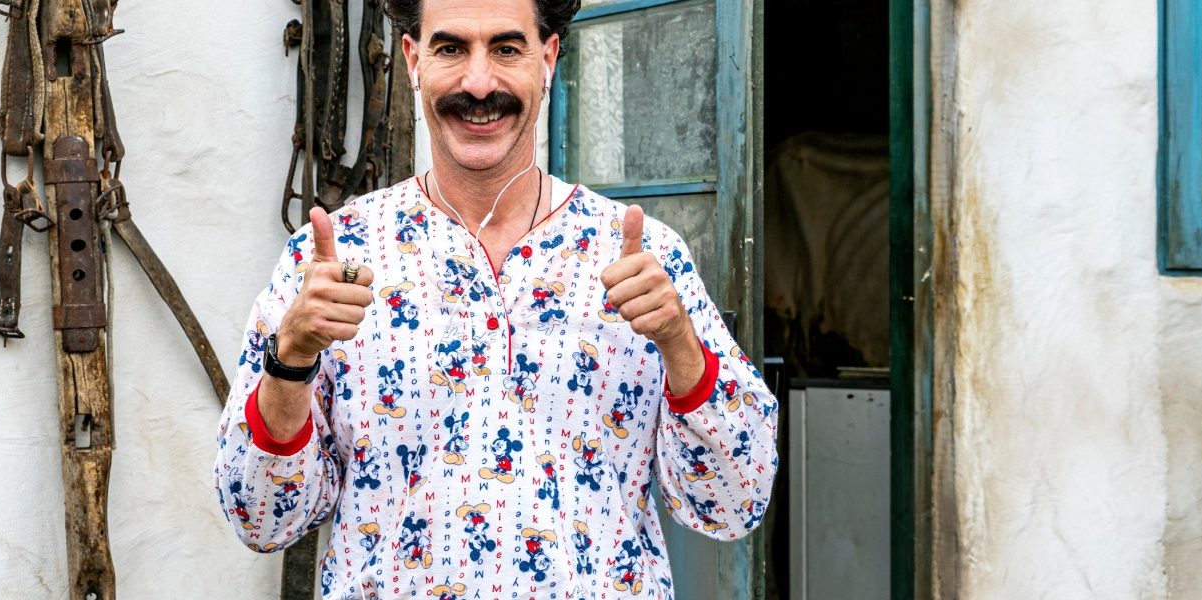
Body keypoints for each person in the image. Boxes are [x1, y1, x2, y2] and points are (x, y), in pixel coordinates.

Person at [213, 0, 778, 597]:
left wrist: (679, 343)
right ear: (413, 60)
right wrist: (291, 359)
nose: (479, 83)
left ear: (548, 59)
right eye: (451, 48)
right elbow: (261, 520)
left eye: (507, 49)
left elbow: (734, 504)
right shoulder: (333, 258)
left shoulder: (642, 254)